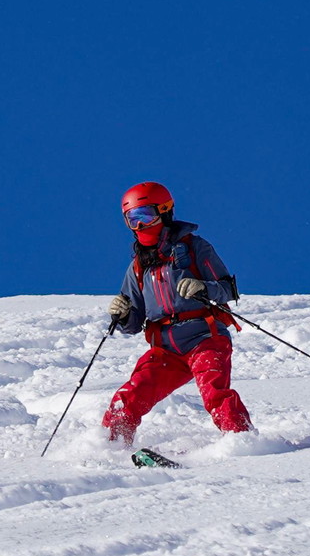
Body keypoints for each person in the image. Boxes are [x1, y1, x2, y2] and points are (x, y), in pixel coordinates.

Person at [102, 181, 253, 444]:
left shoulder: (194, 248)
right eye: (132, 219)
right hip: (166, 351)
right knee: (129, 397)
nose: (139, 226)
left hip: (205, 337)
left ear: (164, 211)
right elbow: (133, 324)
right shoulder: (138, 268)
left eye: (145, 216)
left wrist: (203, 288)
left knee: (214, 392)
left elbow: (227, 289)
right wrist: (123, 315)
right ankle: (110, 447)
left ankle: (243, 441)